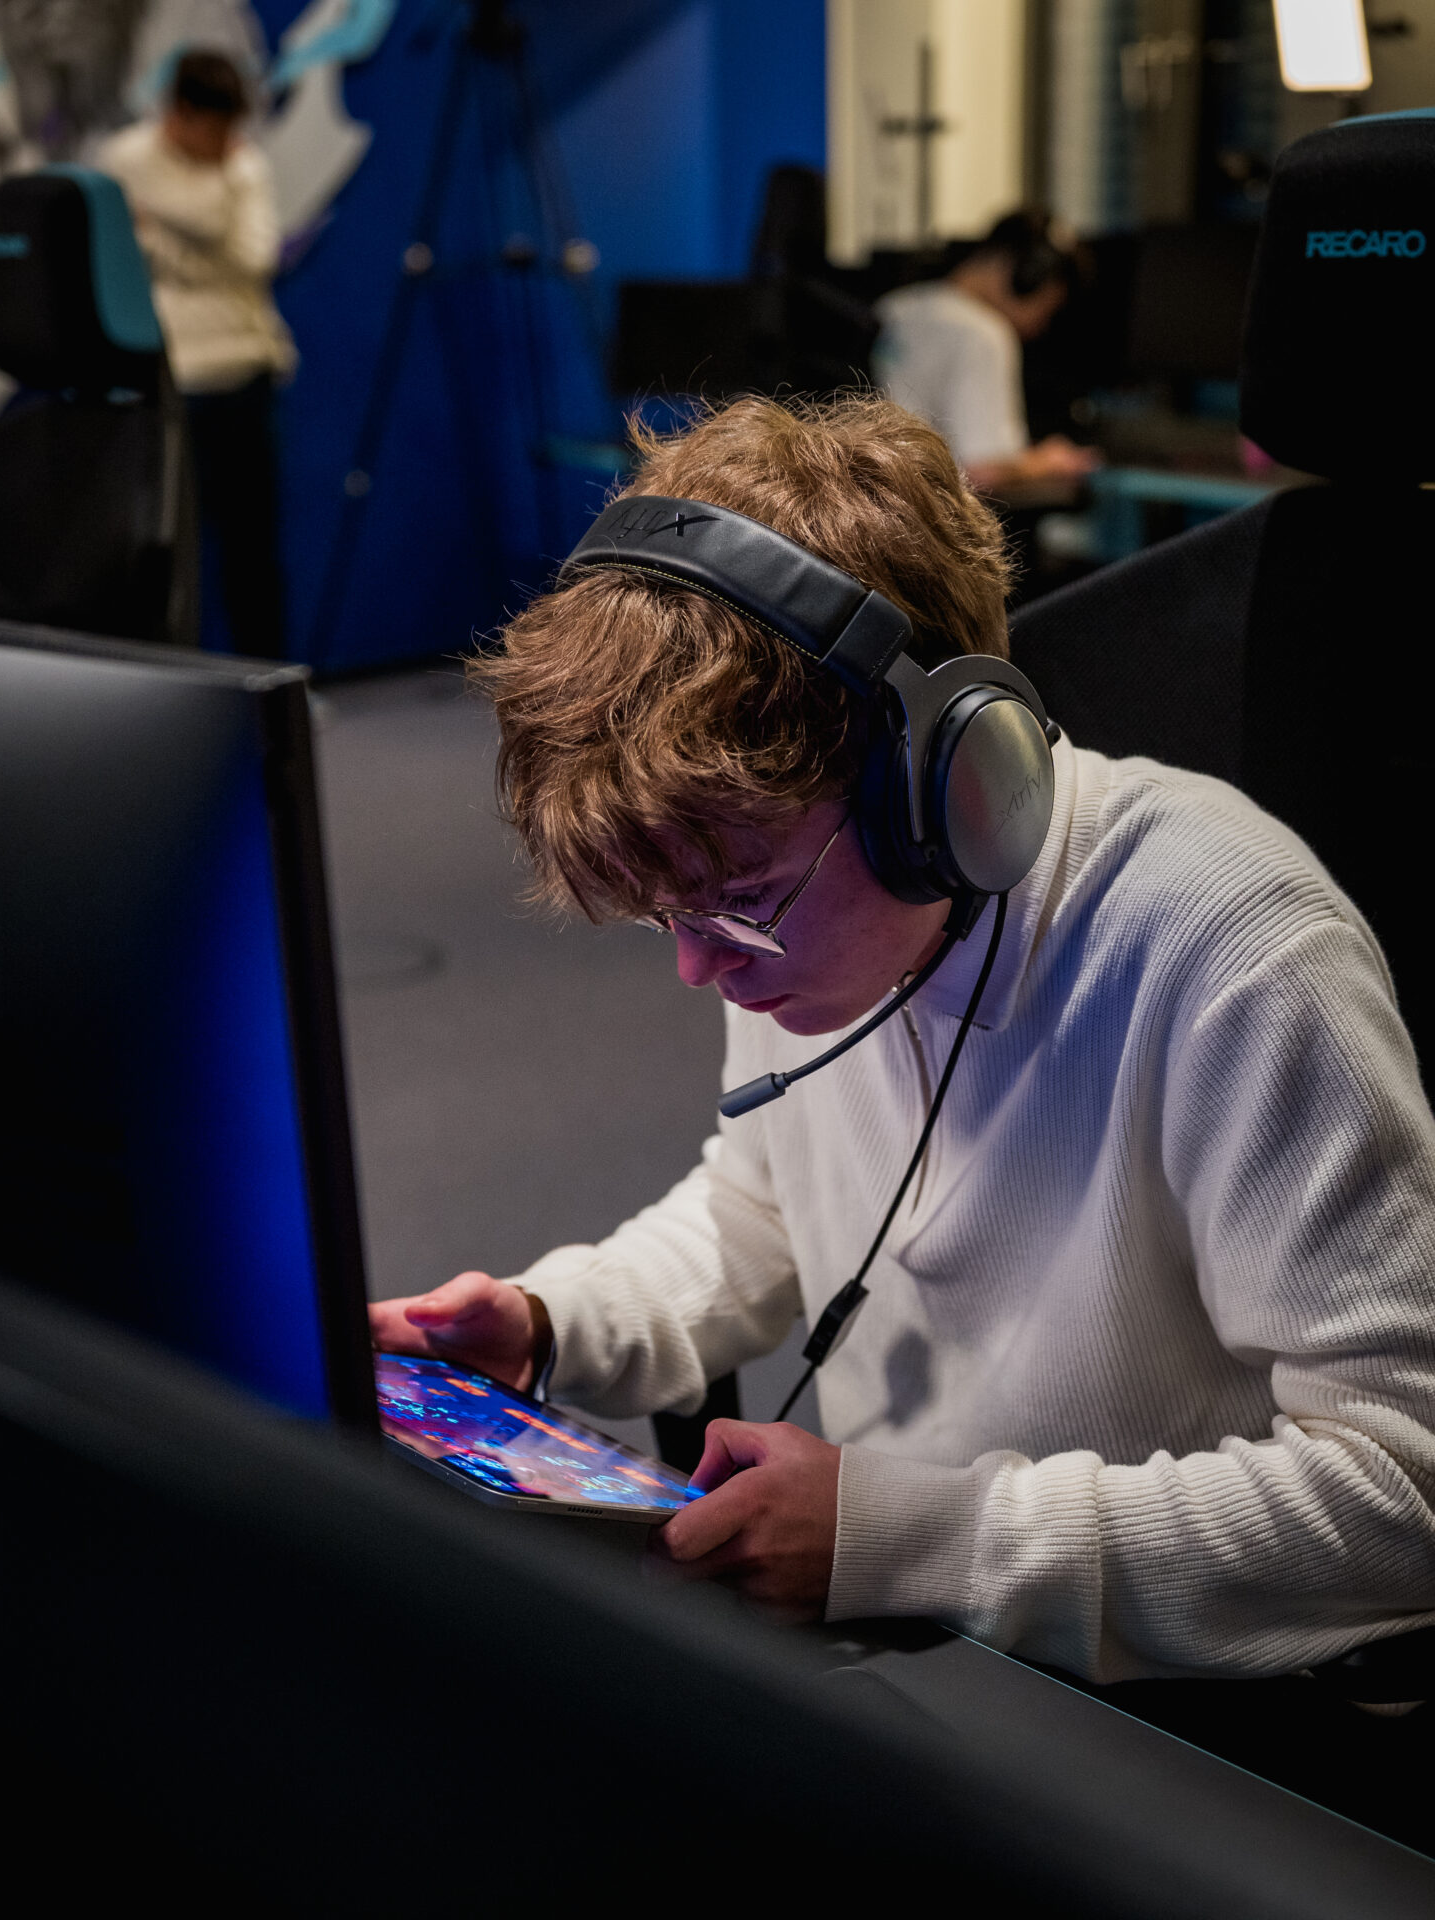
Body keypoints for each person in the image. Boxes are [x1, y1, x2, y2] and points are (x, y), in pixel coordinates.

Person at [368, 394, 1435, 1692]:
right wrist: (553, 1324)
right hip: (926, 1632)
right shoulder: (808, 916)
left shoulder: (1231, 949)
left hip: (1168, 1716)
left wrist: (915, 1542)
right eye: (668, 916)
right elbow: (764, 1209)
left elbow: (1406, 1490)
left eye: (740, 903)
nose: (703, 967)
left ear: (944, 792)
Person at [100, 50, 294, 658]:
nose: (226, 143)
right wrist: (210, 229)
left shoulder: (242, 162)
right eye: (215, 129)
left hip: (246, 373)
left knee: (253, 548)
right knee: (164, 550)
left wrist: (161, 231)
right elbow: (122, 263)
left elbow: (257, 258)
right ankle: (169, 689)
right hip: (170, 382)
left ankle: (273, 689)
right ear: (179, 113)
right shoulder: (126, 159)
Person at [874, 212, 1099, 494]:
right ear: (1026, 278)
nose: (1040, 326)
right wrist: (1049, 461)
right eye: (1046, 308)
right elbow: (983, 470)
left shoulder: (896, 306)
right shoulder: (982, 334)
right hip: (925, 507)